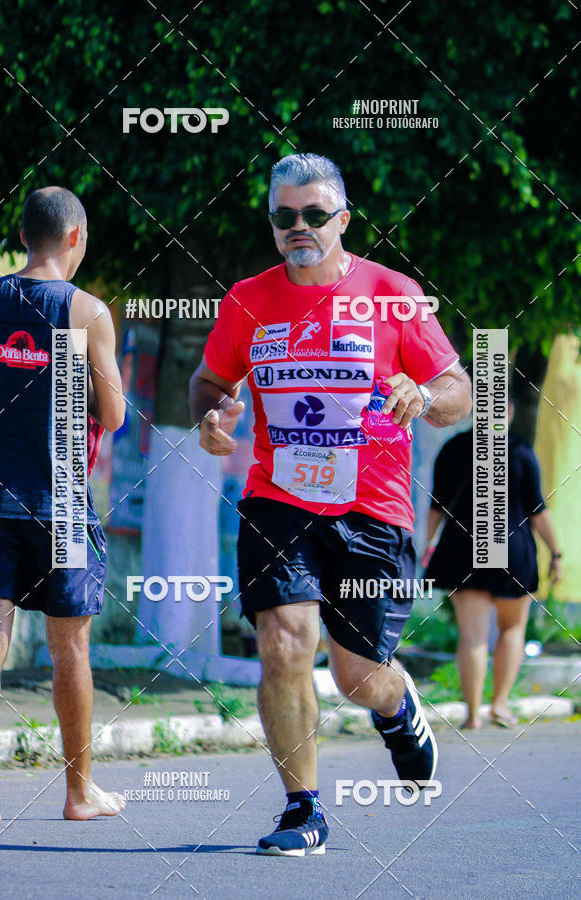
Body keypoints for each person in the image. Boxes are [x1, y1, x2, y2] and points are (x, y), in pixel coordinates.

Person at [190, 153, 472, 856]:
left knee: (357, 676)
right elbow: (208, 379)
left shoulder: (392, 294)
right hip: (276, 500)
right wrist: (212, 414)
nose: (299, 227)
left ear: (343, 219)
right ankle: (302, 809)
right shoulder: (248, 299)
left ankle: (398, 706)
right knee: (284, 643)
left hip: (372, 509)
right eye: (284, 216)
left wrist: (425, 396)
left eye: (315, 214)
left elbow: (460, 390)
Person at [0, 186, 126, 822]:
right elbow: (115, 413)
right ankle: (78, 792)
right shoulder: (88, 311)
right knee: (69, 648)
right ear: (75, 238)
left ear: (24, 237)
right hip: (60, 497)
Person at [424, 400, 562, 729]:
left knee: (472, 635)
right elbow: (537, 510)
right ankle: (499, 705)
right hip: (512, 551)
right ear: (509, 412)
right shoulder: (520, 450)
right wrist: (556, 553)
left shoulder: (453, 447)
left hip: (461, 550)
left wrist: (425, 546)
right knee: (512, 628)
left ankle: (473, 715)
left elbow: (436, 506)